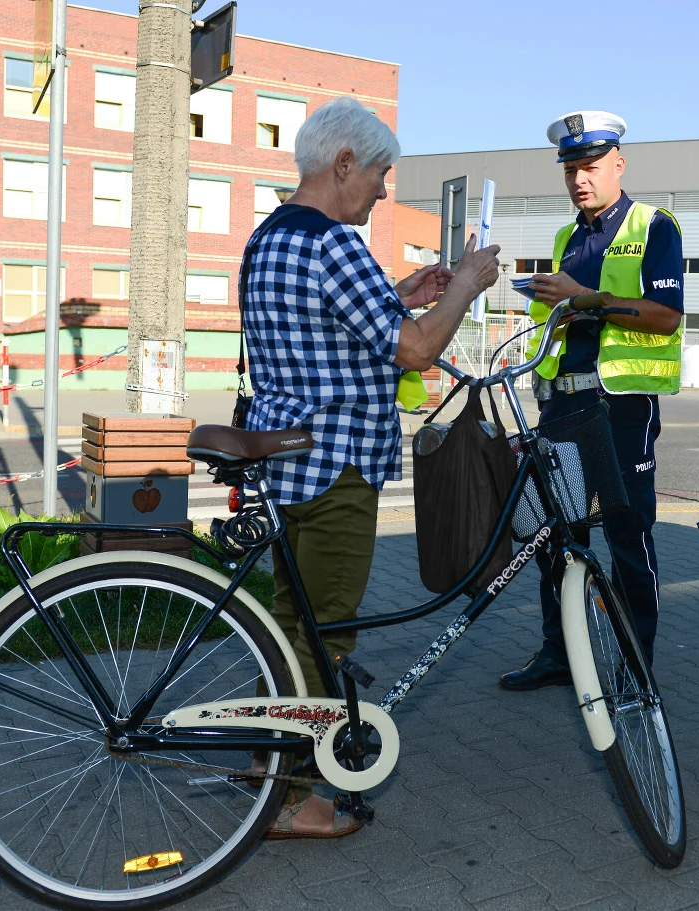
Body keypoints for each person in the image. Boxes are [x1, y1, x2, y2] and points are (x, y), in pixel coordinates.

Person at [242, 96, 500, 836]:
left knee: (289, 624)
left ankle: (268, 762)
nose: (384, 192)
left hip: (285, 462)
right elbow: (416, 350)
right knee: (326, 633)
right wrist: (463, 285)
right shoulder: (333, 243)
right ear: (343, 162)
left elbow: (316, 328)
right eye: (381, 174)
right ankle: (298, 798)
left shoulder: (271, 237)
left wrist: (399, 295)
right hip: (336, 468)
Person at [499, 111, 685, 691]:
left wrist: (586, 298)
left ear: (618, 166)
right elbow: (562, 320)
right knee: (554, 534)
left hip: (620, 407)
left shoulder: (654, 226)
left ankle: (636, 668)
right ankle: (561, 653)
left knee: (628, 535)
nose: (580, 178)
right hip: (561, 406)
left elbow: (667, 316)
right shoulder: (567, 237)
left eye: (591, 166)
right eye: (571, 169)